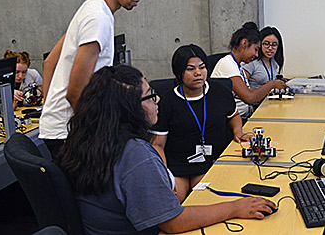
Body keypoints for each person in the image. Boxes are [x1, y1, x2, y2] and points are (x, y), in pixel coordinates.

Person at [57, 65, 276, 235]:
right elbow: (173, 222)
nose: (157, 99)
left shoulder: (85, 140)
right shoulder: (134, 154)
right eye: (150, 96)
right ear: (129, 109)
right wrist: (236, 207)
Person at [39, 0, 148, 159]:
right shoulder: (98, 18)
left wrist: (49, 111)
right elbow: (75, 91)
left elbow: (50, 62)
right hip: (69, 132)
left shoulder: (91, 8)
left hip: (60, 127)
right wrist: (97, 133)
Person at [150, 44, 252, 202]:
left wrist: (238, 131)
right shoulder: (167, 102)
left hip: (209, 163)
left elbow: (233, 115)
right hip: (178, 165)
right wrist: (164, 173)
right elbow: (158, 144)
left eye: (202, 67)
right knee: (173, 200)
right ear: (179, 72)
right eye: (190, 69)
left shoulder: (220, 92)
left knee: (204, 200)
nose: (198, 73)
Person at [211, 22, 286, 122]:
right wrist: (271, 84)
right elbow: (249, 97)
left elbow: (249, 91)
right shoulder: (227, 64)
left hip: (245, 116)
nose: (256, 55)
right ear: (244, 43)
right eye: (255, 49)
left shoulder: (237, 65)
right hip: (233, 121)